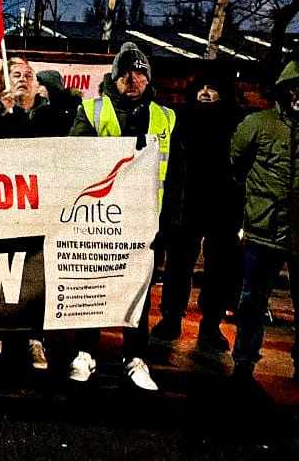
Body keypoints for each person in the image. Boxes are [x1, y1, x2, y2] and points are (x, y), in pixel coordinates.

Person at [68, 42, 178, 391]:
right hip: (97, 220)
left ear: (149, 78)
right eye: (126, 74)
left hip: (144, 222)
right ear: (114, 78)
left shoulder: (166, 117)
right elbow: (75, 158)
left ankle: (135, 358)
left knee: (139, 293)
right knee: (92, 288)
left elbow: (175, 173)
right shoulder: (92, 110)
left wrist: (169, 222)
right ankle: (86, 353)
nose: (133, 80)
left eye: (140, 73)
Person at [0, 56, 74, 370]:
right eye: (15, 73)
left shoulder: (52, 115)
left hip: (39, 208)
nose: (23, 78)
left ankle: (34, 339)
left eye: (28, 74)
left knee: (35, 274)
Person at [151, 66, 243, 352]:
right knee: (179, 264)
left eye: (212, 87)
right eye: (201, 87)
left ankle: (211, 324)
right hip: (185, 202)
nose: (205, 93)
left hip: (224, 206)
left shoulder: (237, 121)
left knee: (220, 269)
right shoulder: (181, 117)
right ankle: (171, 318)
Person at [229, 61, 299, 383]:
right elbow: (236, 164)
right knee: (253, 301)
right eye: (295, 87)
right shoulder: (257, 124)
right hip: (263, 230)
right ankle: (244, 360)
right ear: (285, 90)